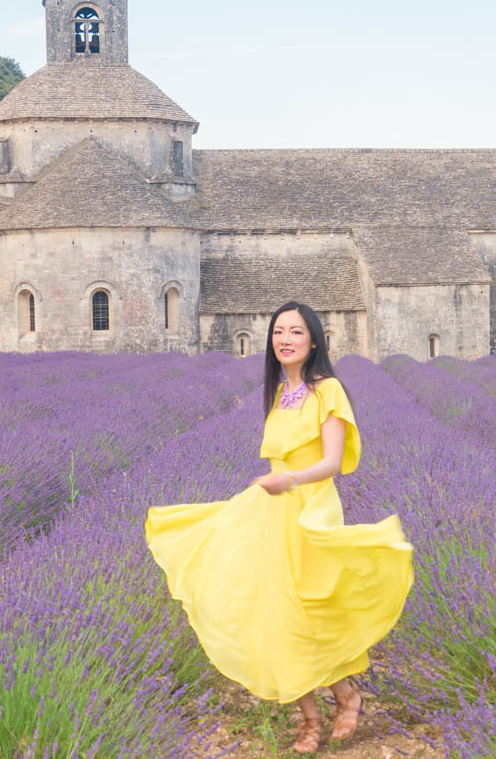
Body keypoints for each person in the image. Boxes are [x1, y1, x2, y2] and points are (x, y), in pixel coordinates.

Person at [145, 301, 414, 753]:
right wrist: (275, 482)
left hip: (309, 508)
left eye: (295, 332)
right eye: (278, 332)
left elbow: (330, 462)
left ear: (313, 341)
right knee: (272, 613)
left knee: (313, 609)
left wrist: (288, 479)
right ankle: (309, 718)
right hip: (271, 509)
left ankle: (347, 696)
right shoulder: (276, 392)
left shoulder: (328, 390)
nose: (285, 339)